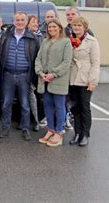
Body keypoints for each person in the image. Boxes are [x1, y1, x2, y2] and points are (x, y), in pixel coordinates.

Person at [0, 11, 40, 141]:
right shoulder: (6, 36)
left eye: (22, 20)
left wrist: (33, 77)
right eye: (17, 20)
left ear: (26, 22)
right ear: (14, 21)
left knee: (25, 104)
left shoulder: (33, 38)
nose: (20, 22)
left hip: (24, 76)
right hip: (8, 75)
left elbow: (36, 57)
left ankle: (25, 129)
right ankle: (5, 128)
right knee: (6, 103)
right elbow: (0, 54)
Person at [35, 18, 73, 147]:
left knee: (59, 106)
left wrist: (53, 73)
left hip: (58, 80)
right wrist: (40, 72)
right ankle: (50, 129)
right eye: (49, 27)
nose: (51, 29)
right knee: (48, 106)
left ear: (59, 28)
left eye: (54, 27)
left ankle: (59, 132)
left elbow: (67, 62)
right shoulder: (45, 42)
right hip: (44, 80)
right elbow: (38, 59)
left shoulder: (66, 42)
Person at [68, 16, 100, 147]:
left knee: (85, 107)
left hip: (85, 78)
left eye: (79, 25)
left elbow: (95, 63)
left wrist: (93, 81)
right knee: (75, 108)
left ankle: (85, 134)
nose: (76, 28)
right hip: (72, 78)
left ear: (84, 27)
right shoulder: (69, 41)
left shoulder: (92, 41)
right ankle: (77, 133)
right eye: (74, 25)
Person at [26, 14, 42, 131]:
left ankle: (36, 120)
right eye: (33, 22)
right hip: (26, 72)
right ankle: (27, 121)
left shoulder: (41, 37)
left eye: (37, 22)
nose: (35, 24)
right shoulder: (25, 37)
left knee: (34, 98)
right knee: (27, 98)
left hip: (37, 72)